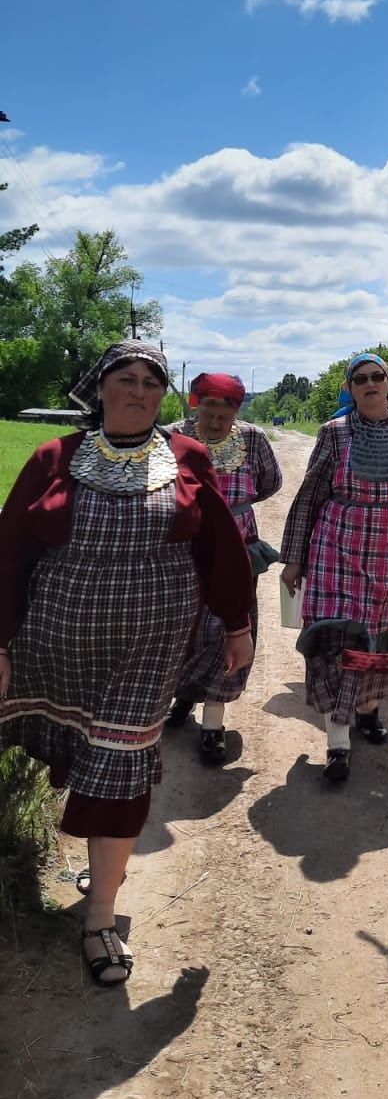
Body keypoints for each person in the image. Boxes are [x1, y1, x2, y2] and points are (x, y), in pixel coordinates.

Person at [0, 341, 253, 986]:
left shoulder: (189, 457)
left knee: (119, 767)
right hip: (55, 643)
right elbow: (10, 553)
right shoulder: (51, 459)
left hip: (150, 647)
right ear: (100, 387)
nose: (139, 390)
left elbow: (221, 549)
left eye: (152, 381)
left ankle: (99, 919)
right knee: (80, 755)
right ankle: (70, 856)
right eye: (126, 378)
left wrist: (239, 625)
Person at [279, 353, 388, 782]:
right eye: (360, 379)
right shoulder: (333, 433)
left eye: (377, 377)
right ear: (350, 389)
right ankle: (337, 741)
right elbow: (310, 494)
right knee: (340, 637)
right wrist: (294, 558)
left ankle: (368, 711)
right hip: (340, 548)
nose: (369, 384)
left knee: (384, 643)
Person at [165, 373, 284, 762]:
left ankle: (213, 725)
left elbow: (270, 482)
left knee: (227, 632)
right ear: (195, 404)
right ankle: (182, 698)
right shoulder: (168, 437)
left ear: (237, 410)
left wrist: (233, 508)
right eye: (209, 411)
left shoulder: (252, 439)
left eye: (225, 413)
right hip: (182, 550)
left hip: (238, 548)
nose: (216, 421)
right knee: (184, 630)